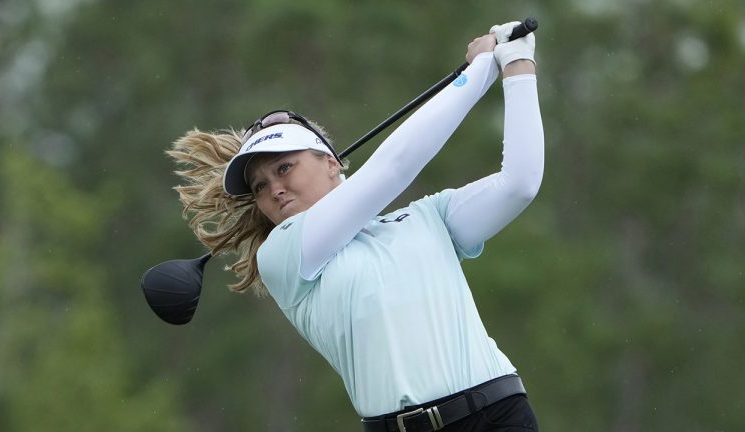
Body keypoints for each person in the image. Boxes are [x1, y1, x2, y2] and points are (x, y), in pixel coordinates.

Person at [168, 21, 543, 432]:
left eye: (285, 167)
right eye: (260, 185)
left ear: (331, 162)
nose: (275, 189)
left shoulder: (428, 217)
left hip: (500, 415)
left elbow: (520, 183)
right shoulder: (283, 255)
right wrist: (482, 67)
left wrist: (517, 63)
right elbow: (394, 167)